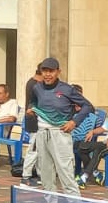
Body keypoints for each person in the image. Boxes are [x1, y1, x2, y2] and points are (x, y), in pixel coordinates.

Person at [27, 58, 93, 195]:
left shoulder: (67, 89)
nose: (47, 74)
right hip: (41, 133)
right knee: (46, 176)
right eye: (45, 71)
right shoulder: (37, 88)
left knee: (66, 173)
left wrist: (74, 122)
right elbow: (33, 102)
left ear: (58, 72)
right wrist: (32, 109)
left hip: (60, 134)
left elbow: (88, 106)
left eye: (51, 71)